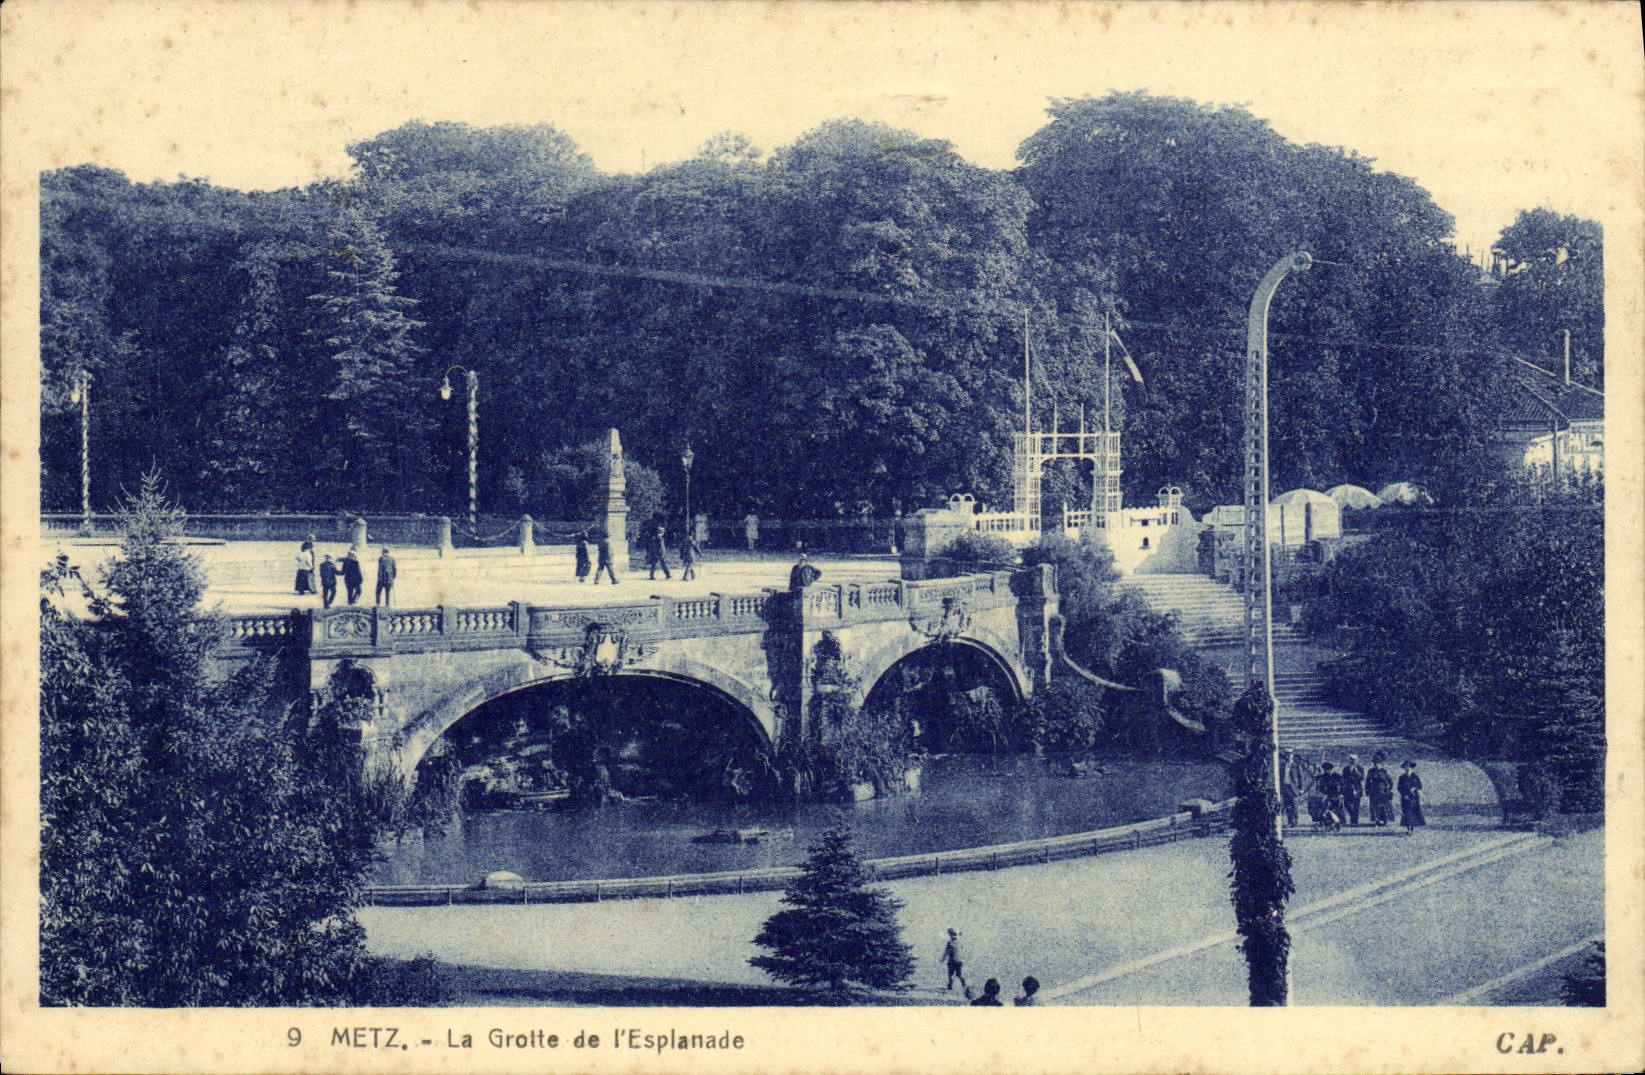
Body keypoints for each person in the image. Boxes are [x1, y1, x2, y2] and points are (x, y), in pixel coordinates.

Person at [1366, 752, 1395, 826]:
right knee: (1374, 806)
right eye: (1375, 763)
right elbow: (1367, 781)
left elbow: (1390, 781)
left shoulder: (1384, 771)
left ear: (1380, 763)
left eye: (1378, 763)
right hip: (1373, 791)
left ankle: (1384, 819)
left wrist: (1390, 789)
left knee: (1383, 805)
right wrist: (1367, 790)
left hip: (1383, 790)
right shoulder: (1370, 771)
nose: (1376, 764)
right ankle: (1376, 819)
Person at [1398, 760, 1426, 834]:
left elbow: (1420, 786)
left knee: (1413, 813)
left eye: (1409, 768)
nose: (1407, 769)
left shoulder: (1415, 777)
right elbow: (1399, 787)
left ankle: (1412, 828)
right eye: (1406, 768)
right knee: (1407, 813)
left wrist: (1414, 788)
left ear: (1411, 768)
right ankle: (1408, 828)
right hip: (1405, 797)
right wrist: (1404, 794)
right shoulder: (1402, 777)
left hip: (1414, 797)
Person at [1315, 761, 1343, 832]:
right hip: (1325, 797)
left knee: (1334, 812)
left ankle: (1335, 824)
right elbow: (1318, 785)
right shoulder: (1322, 777)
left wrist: (1341, 795)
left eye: (1328, 769)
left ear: (1331, 769)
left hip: (1335, 797)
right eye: (1325, 769)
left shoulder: (1337, 776)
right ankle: (1328, 825)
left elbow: (1342, 786)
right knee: (1324, 811)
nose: (1326, 771)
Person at [1341, 754, 1366, 826]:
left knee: (1356, 806)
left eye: (1354, 760)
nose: (1353, 761)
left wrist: (1356, 771)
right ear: (1349, 760)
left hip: (1357, 789)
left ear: (1357, 761)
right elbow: (1343, 779)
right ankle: (1352, 816)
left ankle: (1354, 821)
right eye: (1351, 760)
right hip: (1348, 790)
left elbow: (1362, 778)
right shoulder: (1345, 769)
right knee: (1346, 804)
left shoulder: (1360, 768)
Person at [1280, 748, 1302, 827]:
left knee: (1294, 805)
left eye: (1289, 754)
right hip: (1285, 787)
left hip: (1293, 788)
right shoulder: (1282, 765)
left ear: (1292, 755)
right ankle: (1290, 821)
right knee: (1286, 805)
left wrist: (1301, 788)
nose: (1288, 756)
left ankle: (1295, 821)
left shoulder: (1296, 765)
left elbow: (1300, 777)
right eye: (1286, 754)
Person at [941, 928, 967, 993]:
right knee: (958, 974)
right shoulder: (960, 942)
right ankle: (963, 985)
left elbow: (946, 952)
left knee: (951, 974)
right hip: (958, 961)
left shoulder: (950, 943)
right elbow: (962, 951)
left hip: (952, 961)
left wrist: (943, 959)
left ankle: (951, 985)